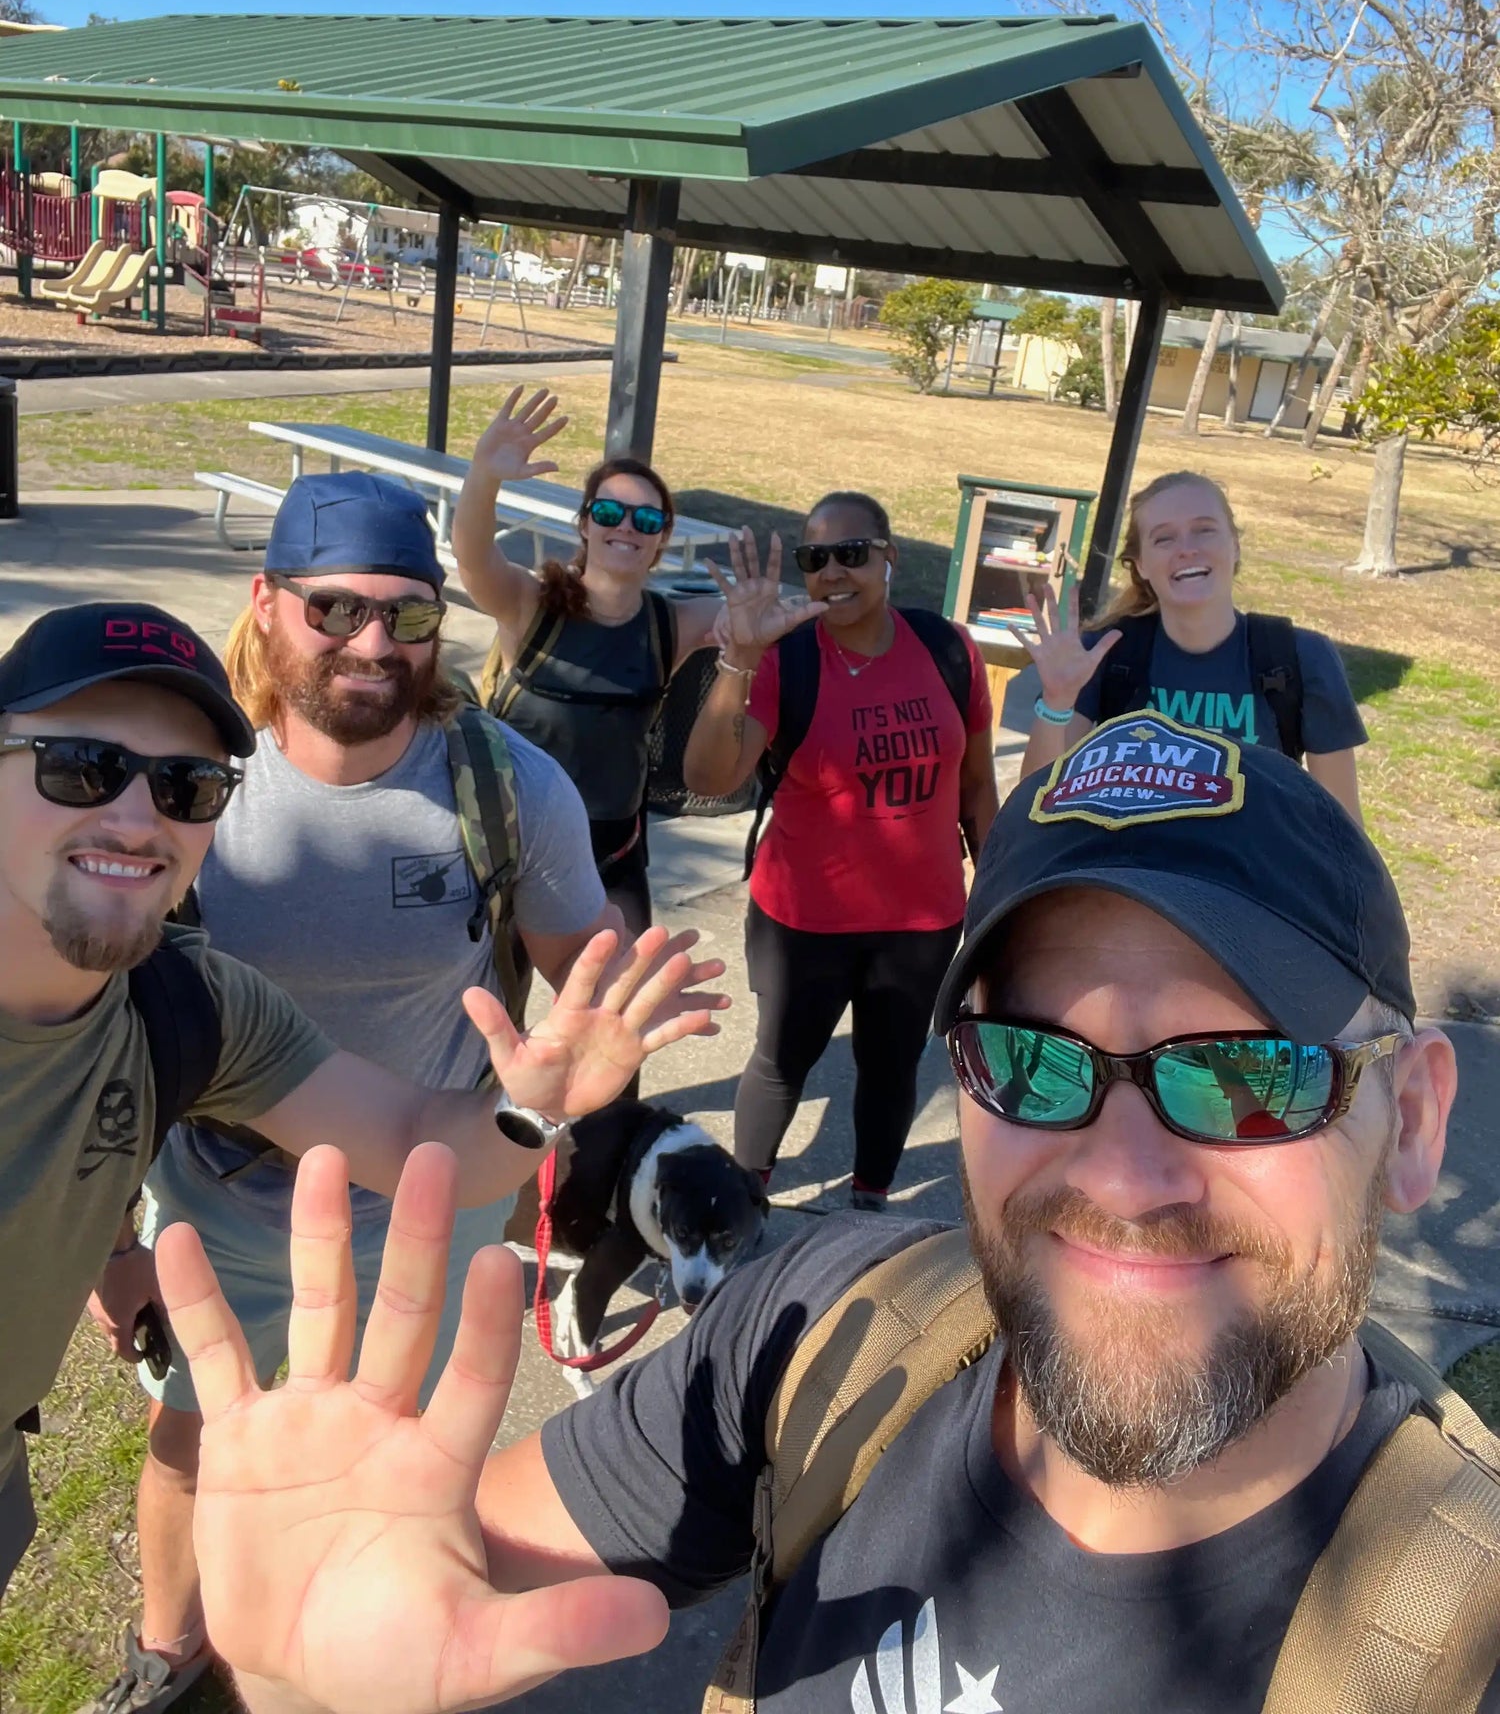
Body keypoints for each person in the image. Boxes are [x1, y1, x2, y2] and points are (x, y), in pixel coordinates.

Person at [151, 713, 1500, 1714]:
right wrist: (290, 1675)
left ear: (1418, 1120)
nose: (1126, 1178)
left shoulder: (1459, 1645)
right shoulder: (825, 1327)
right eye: (1035, 1061)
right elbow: (441, 1562)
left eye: (1249, 1073)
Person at [76, 474, 727, 1714]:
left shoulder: (502, 784)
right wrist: (117, 1241)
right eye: (336, 607)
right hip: (217, 1194)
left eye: (409, 614)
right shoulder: (186, 784)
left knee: (407, 1458)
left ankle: (357, 1650)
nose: (375, 642)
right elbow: (116, 1026)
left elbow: (581, 986)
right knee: (191, 1435)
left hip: (430, 1191)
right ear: (266, 604)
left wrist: (610, 1069)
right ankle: (170, 1648)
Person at [682, 493, 999, 1209]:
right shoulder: (784, 658)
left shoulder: (949, 650)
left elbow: (977, 785)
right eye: (814, 559)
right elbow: (708, 779)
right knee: (781, 1063)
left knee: (891, 1069)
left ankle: (868, 1204)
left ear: (889, 557)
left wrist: (996, 894)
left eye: (851, 553)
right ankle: (742, 1199)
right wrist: (738, 659)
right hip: (803, 920)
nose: (832, 572)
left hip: (921, 921)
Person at [452, 387, 724, 936]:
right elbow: (474, 558)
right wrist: (484, 476)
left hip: (613, 852)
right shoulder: (531, 606)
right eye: (609, 512)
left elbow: (760, 616)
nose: (626, 528)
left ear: (662, 537)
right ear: (584, 524)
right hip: (510, 844)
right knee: (493, 1010)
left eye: (646, 521)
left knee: (623, 1002)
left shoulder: (671, 625)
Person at [1017, 469, 1367, 821]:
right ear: (1141, 566)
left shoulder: (1299, 656)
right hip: (1130, 870)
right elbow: (1037, 804)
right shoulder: (1104, 653)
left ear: (1235, 545)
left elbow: (1343, 829)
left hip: (1249, 872)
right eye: (1164, 539)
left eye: (1204, 530)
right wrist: (1056, 702)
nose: (1187, 549)